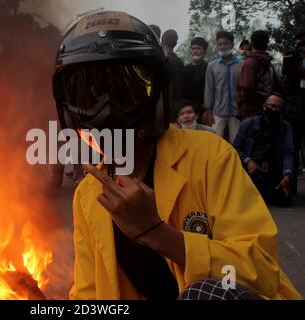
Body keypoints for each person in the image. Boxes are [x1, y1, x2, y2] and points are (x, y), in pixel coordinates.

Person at [53, 11, 302, 300]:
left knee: (204, 295)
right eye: (90, 94)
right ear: (69, 107)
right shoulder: (87, 195)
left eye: (126, 89)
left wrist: (156, 232)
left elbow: (262, 272)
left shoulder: (210, 155)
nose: (108, 109)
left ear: (158, 91)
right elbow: (88, 294)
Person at [234, 95, 294, 207]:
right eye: (271, 105)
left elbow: (288, 152)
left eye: (278, 107)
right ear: (264, 106)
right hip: (252, 169)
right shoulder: (248, 123)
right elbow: (235, 148)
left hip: (272, 168)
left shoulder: (285, 127)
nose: (274, 109)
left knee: (284, 201)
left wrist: (287, 174)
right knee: (245, 201)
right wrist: (248, 161)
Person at [203, 31, 243, 143]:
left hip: (236, 111)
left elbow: (242, 89)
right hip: (218, 111)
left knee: (236, 142)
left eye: (225, 44)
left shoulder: (241, 65)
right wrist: (208, 110)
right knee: (215, 141)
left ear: (232, 44)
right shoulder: (212, 66)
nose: (222, 47)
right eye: (219, 44)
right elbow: (209, 88)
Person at [282, 26, 305, 195]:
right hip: (294, 107)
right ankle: (291, 187)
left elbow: (286, 78)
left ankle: (292, 188)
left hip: (293, 108)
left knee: (293, 147)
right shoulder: (292, 55)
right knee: (293, 147)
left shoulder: (290, 54)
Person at [238, 31, 281, 119]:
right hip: (268, 108)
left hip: (251, 110)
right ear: (266, 44)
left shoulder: (249, 63)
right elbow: (277, 84)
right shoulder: (269, 62)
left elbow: (247, 87)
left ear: (251, 44)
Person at [161, 29, 185, 120]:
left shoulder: (161, 60)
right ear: (176, 42)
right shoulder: (179, 61)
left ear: (162, 41)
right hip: (178, 103)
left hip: (165, 104)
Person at [184, 37, 208, 118]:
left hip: (204, 109)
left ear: (205, 51)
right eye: (193, 48)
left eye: (199, 48)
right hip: (188, 109)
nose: (195, 51)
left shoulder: (209, 68)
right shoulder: (185, 68)